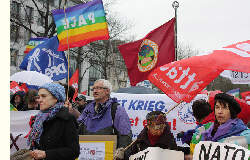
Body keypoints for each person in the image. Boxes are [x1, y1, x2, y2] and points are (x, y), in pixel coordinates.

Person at [69, 79, 132, 148]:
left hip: (108, 154)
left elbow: (125, 134)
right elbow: (78, 129)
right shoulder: (88, 109)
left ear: (107, 91)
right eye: (94, 88)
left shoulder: (116, 109)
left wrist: (121, 152)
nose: (95, 91)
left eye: (99, 88)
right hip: (87, 153)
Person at [27, 83, 80, 160]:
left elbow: (74, 151)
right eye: (39, 97)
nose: (39, 100)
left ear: (56, 98)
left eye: (44, 96)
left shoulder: (66, 118)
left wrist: (46, 154)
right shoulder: (38, 119)